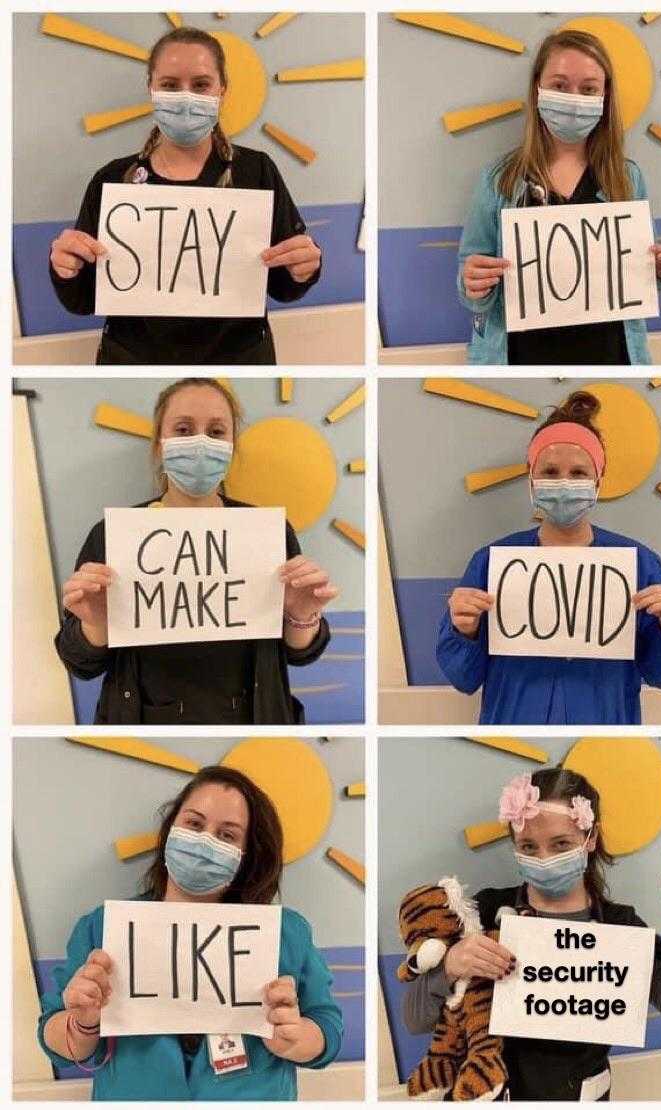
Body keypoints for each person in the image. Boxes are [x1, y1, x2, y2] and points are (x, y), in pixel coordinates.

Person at [403, 768, 661, 1100]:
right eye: (528, 846)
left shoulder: (620, 929)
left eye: (561, 844)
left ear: (591, 838)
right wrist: (450, 966)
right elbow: (415, 1020)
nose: (544, 859)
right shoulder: (482, 914)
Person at [39, 765, 344, 1099]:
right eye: (194, 824)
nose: (204, 841)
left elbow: (327, 1027)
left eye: (227, 835)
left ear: (246, 854)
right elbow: (55, 1038)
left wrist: (298, 1038)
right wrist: (83, 1022)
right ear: (171, 829)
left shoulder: (286, 933)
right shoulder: (104, 927)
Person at [55, 378, 339, 724]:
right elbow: (79, 662)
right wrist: (96, 624)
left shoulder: (268, 532)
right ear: (160, 444)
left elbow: (301, 653)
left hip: (252, 719)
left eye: (217, 431)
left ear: (232, 446)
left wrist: (302, 615)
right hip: (143, 720)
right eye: (184, 429)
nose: (200, 442)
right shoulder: (113, 535)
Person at [48, 26, 322, 364]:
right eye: (170, 85)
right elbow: (83, 300)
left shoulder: (257, 171)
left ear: (223, 90)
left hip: (240, 359)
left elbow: (283, 286)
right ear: (151, 88)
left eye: (201, 84)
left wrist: (304, 268)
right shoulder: (113, 181)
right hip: (134, 360)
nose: (186, 96)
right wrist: (65, 269)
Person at [438, 390, 661, 724]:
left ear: (598, 482)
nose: (563, 483)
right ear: (531, 478)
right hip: (514, 721)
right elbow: (463, 678)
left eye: (578, 474)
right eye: (549, 472)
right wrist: (465, 630)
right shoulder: (491, 562)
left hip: (606, 724)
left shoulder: (638, 564)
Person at [457, 28, 661, 365]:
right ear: (538, 87)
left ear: (605, 96)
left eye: (589, 89)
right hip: (522, 358)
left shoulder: (626, 179)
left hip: (611, 356)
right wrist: (473, 282)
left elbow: (640, 273)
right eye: (560, 85)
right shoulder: (500, 180)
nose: (574, 98)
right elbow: (469, 275)